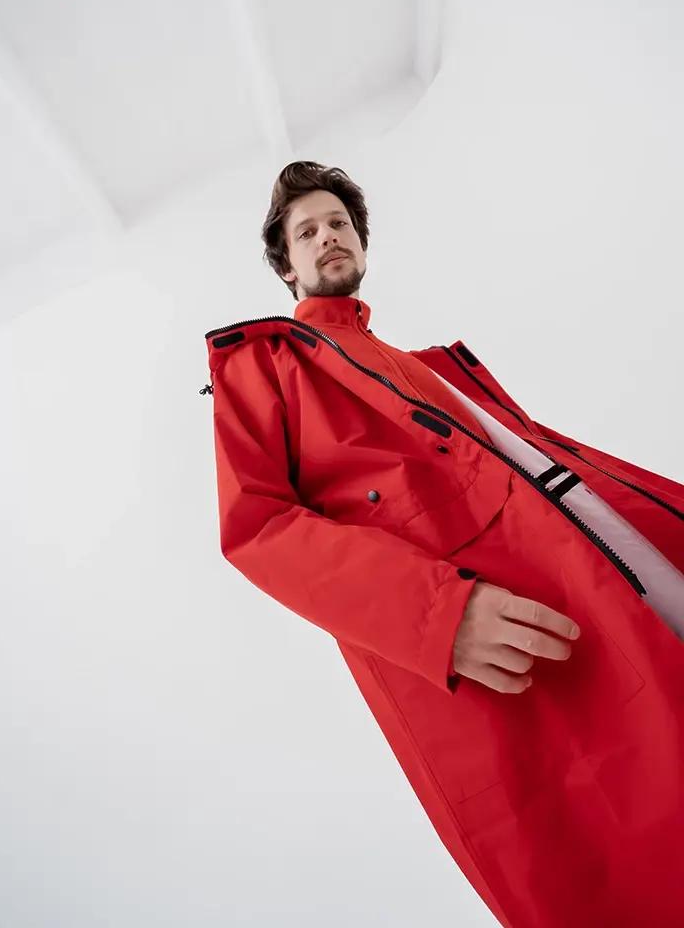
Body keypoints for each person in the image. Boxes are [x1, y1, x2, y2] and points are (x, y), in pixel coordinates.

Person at [203, 161, 684, 928]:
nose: (328, 236)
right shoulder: (263, 366)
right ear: (286, 267)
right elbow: (257, 526)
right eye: (307, 231)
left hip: (619, 549)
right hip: (522, 619)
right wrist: (435, 614)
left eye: (339, 223)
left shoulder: (428, 368)